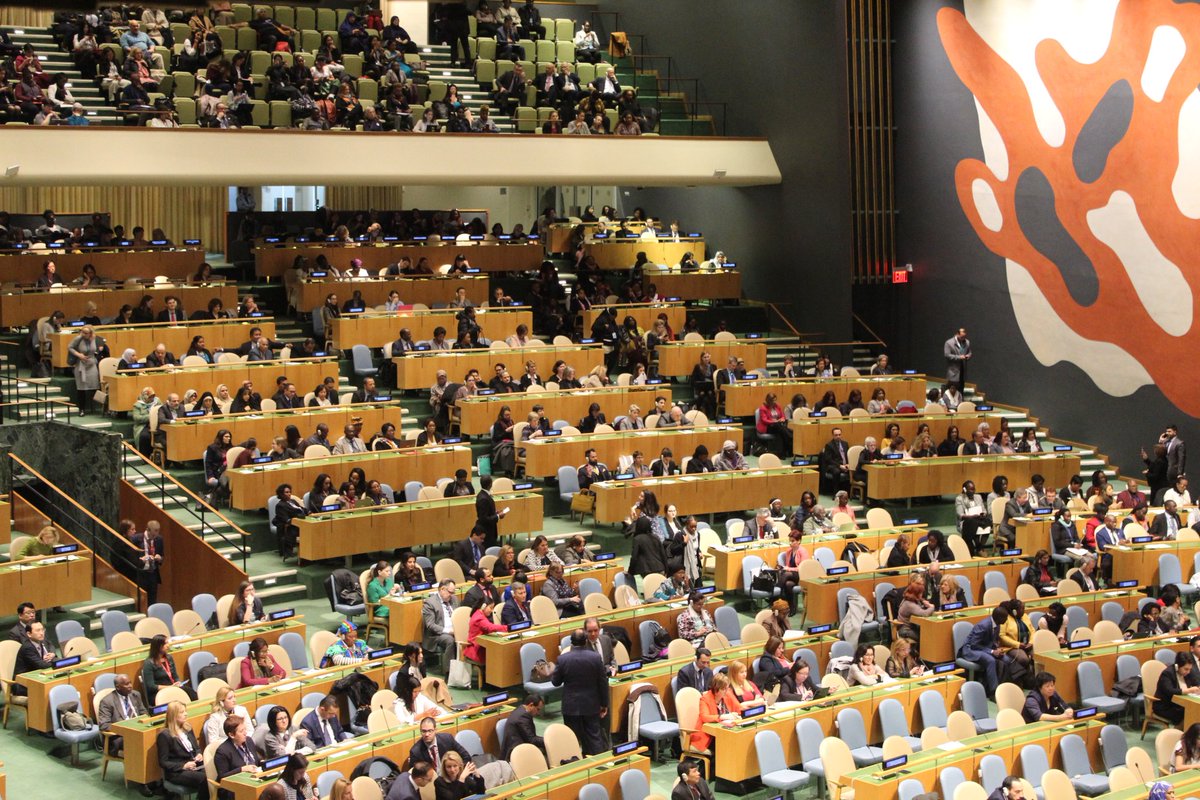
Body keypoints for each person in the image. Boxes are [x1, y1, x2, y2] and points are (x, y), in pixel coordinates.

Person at [552, 629, 609, 755]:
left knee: (572, 739)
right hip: (591, 704)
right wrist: (604, 704)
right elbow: (602, 682)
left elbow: (555, 682)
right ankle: (596, 764)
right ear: (586, 641)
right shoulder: (595, 658)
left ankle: (574, 763)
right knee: (594, 738)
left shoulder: (562, 659)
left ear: (571, 642)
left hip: (571, 706)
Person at [157, 701, 209, 800]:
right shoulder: (164, 735)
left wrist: (199, 754)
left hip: (195, 765)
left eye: (185, 711)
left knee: (214, 774)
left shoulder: (188, 728)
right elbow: (163, 762)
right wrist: (183, 766)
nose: (186, 714)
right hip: (177, 772)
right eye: (182, 712)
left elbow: (197, 748)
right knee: (205, 780)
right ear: (173, 715)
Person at [98, 672, 148, 757]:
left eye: (130, 682)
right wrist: (125, 728)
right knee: (139, 741)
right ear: (118, 687)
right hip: (120, 736)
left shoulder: (135, 694)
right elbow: (104, 725)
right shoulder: (107, 701)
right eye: (126, 684)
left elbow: (144, 713)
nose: (130, 686)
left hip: (139, 730)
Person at [960, 607, 1007, 696]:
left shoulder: (998, 624)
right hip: (970, 650)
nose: (1007, 619)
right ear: (999, 618)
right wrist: (992, 651)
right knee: (990, 660)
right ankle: (993, 692)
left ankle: (1002, 688)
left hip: (983, 648)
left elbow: (993, 641)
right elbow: (974, 645)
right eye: (1005, 617)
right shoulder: (983, 625)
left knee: (1006, 659)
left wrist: (997, 649)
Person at [142, 633, 190, 703]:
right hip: (159, 693)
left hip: (173, 687)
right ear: (158, 646)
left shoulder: (169, 658)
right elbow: (151, 686)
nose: (168, 645)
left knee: (189, 692)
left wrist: (178, 682)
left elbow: (175, 676)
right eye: (165, 643)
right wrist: (170, 687)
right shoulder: (149, 663)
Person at [11, 620, 55, 692]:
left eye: (42, 630)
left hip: (36, 678)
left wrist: (53, 655)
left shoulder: (41, 641)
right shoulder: (27, 647)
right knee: (50, 688)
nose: (41, 633)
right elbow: (42, 665)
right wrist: (57, 664)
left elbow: (50, 645)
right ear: (29, 634)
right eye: (38, 630)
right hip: (22, 684)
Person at [1157, 652, 1200, 725]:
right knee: (1189, 712)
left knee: (1195, 709)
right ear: (1177, 665)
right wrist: (1188, 691)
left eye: (1190, 669)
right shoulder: (1167, 673)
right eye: (1186, 669)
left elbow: (1196, 683)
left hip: (1182, 704)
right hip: (1166, 706)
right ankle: (1182, 731)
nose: (1188, 672)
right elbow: (1170, 691)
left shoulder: (1188, 672)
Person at [421, 580, 458, 662]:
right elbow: (430, 625)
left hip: (455, 630)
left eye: (453, 592)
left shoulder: (454, 599)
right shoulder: (430, 603)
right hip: (437, 634)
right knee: (450, 640)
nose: (452, 595)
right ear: (442, 589)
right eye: (450, 592)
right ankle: (449, 668)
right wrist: (449, 631)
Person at [501, 695, 545, 760]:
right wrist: (547, 739)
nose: (538, 713)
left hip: (519, 746)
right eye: (538, 709)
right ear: (531, 705)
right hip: (515, 753)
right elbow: (532, 740)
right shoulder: (522, 718)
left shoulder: (520, 709)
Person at [464, 597, 506, 662]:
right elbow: (490, 627)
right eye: (491, 608)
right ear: (483, 606)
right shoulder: (479, 618)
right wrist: (507, 628)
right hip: (476, 652)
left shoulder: (479, 614)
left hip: (482, 648)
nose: (492, 611)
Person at [944, 327, 971, 392]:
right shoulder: (949, 343)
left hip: (963, 369)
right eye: (962, 337)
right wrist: (959, 357)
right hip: (954, 370)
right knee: (952, 388)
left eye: (964, 337)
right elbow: (947, 355)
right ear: (957, 334)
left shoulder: (967, 342)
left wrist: (969, 355)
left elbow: (969, 352)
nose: (963, 339)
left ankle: (961, 397)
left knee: (961, 387)